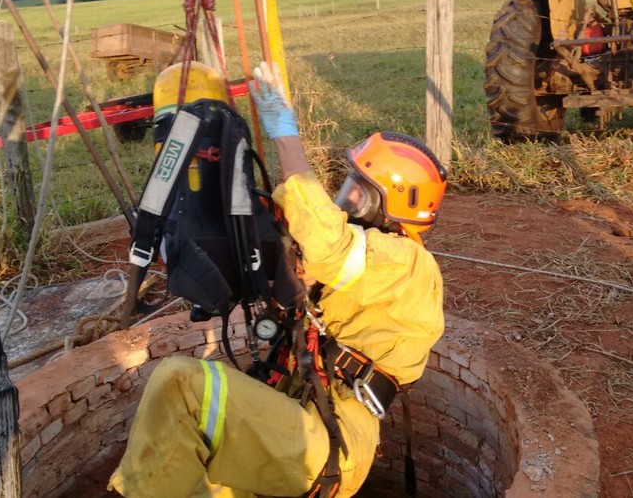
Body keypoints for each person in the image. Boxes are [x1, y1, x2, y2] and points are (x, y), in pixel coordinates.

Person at [109, 62, 447, 497]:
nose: (344, 200)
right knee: (201, 478)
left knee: (182, 385)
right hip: (296, 409)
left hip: (328, 438)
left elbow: (328, 244)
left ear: (390, 203)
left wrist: (285, 136)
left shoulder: (407, 264)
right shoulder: (363, 271)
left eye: (357, 191)